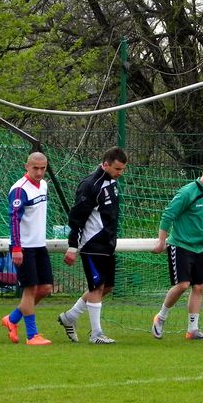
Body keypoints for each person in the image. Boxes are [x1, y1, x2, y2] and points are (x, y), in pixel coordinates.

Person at [151, 161, 203, 341]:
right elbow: (168, 214)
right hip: (180, 245)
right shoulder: (187, 192)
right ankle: (160, 317)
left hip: (198, 248)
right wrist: (162, 241)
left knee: (200, 286)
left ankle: (192, 330)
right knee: (183, 285)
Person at [57, 147, 127, 344]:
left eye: (122, 169)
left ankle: (69, 317)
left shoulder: (113, 181)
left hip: (108, 244)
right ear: (105, 164)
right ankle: (96, 334)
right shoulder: (89, 185)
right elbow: (77, 217)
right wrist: (73, 247)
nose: (120, 173)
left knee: (107, 287)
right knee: (96, 287)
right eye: (117, 169)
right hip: (91, 245)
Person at [0, 152, 53, 346]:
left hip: (39, 245)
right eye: (35, 168)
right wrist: (16, 247)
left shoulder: (44, 185)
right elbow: (14, 219)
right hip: (24, 247)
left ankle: (12, 319)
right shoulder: (19, 190)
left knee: (45, 287)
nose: (39, 172)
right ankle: (32, 335)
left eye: (43, 168)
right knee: (30, 289)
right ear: (27, 167)